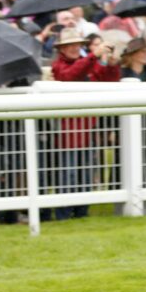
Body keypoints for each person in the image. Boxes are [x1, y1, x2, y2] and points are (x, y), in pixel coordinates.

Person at [51, 28, 120, 220]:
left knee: (86, 173)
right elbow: (70, 75)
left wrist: (111, 64)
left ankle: (81, 212)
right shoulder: (59, 66)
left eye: (77, 45)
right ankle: (64, 213)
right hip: (67, 130)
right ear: (61, 49)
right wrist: (93, 56)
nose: (74, 48)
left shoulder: (86, 63)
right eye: (69, 45)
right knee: (69, 173)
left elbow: (107, 80)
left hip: (87, 127)